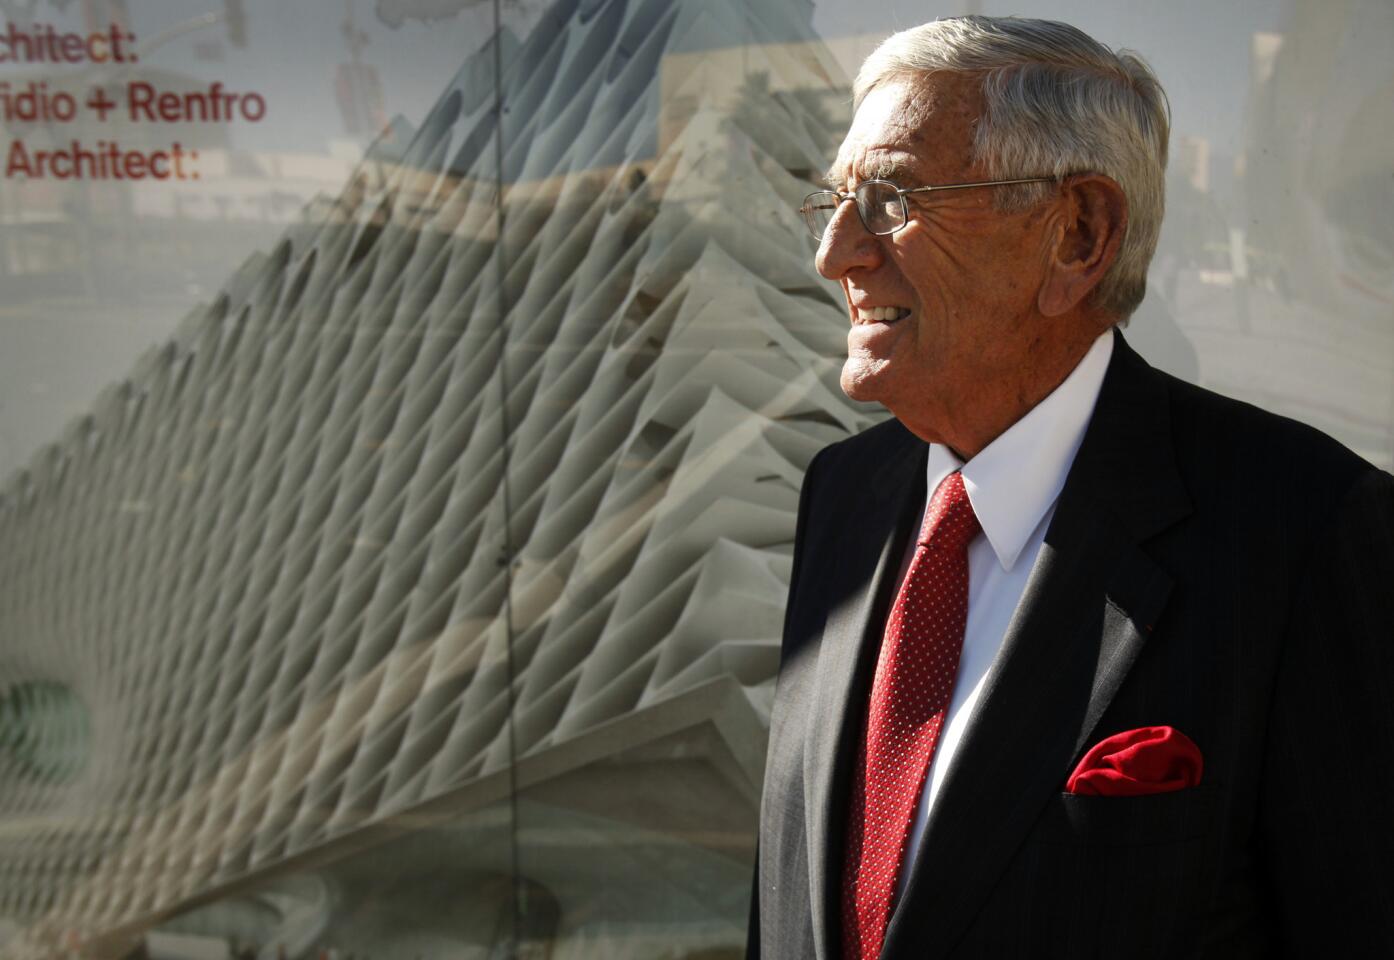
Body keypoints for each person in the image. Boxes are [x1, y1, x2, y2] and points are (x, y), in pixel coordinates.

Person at [749, 15, 1394, 959]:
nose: (836, 253)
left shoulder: (1304, 530)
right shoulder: (842, 493)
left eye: (891, 199)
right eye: (835, 201)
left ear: (1080, 235)